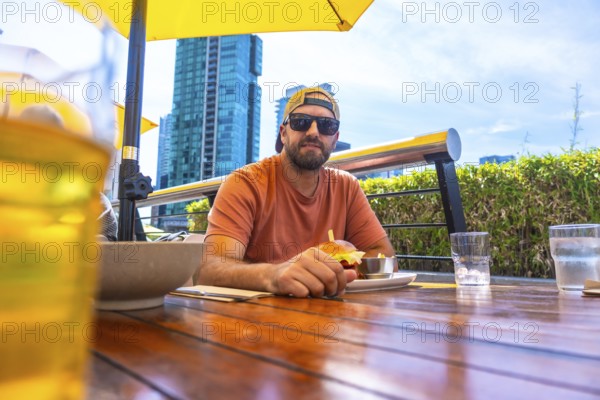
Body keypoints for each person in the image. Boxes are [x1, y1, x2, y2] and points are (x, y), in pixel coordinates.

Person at [199, 87, 394, 297]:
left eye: (326, 125)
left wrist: (337, 270)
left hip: (331, 318)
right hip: (256, 320)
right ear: (283, 133)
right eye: (300, 122)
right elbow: (211, 269)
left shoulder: (347, 187)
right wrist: (274, 276)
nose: (313, 132)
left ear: (335, 140)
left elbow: (383, 255)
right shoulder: (246, 183)